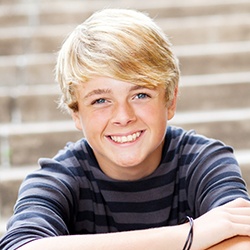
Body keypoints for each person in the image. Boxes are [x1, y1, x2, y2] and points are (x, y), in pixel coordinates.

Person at [1, 8, 250, 250]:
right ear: (76, 113)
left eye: (140, 94)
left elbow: (241, 240)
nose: (123, 116)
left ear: (170, 101)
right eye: (100, 100)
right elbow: (22, 246)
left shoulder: (205, 161)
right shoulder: (58, 178)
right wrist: (191, 234)